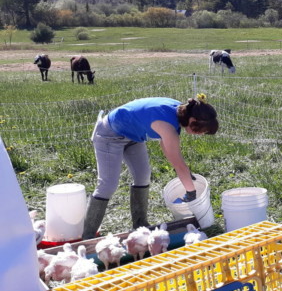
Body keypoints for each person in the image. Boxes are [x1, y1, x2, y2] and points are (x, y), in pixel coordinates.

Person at [82, 94, 218, 239]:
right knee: (108, 185)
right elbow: (178, 164)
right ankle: (88, 236)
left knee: (143, 176)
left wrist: (184, 172)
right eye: (201, 130)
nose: (200, 134)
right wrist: (191, 193)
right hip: (109, 135)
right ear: (193, 120)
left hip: (133, 136)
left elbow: (168, 148)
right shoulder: (167, 123)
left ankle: (140, 225)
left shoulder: (181, 112)